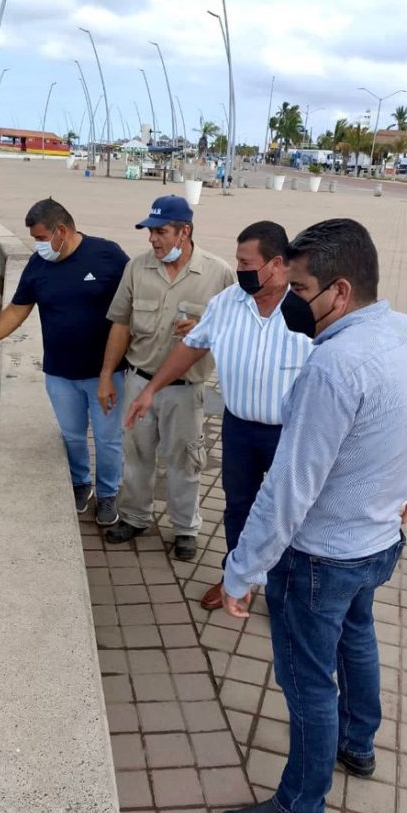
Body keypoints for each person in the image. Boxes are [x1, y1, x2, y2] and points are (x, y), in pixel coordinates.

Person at [218, 218, 407, 813]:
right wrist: (397, 491)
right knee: (358, 637)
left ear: (340, 291)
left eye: (298, 287)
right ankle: (358, 746)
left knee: (308, 678)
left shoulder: (333, 365)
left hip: (320, 558)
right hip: (377, 545)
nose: (287, 299)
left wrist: (241, 570)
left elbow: (289, 489)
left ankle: (301, 805)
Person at [125, 221, 312, 609]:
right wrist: (150, 389)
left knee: (291, 514)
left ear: (277, 263)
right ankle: (236, 579)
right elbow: (191, 347)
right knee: (239, 505)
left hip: (292, 434)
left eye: (246, 262)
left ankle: (285, 592)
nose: (239, 269)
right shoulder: (228, 303)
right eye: (238, 261)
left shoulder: (308, 308)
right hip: (240, 428)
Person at [0, 198, 128, 526]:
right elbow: (16, 310)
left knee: (107, 439)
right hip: (59, 372)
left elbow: (133, 302)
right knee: (72, 436)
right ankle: (79, 483)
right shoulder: (38, 265)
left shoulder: (108, 255)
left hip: (107, 373)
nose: (38, 245)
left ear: (62, 231)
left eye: (42, 238)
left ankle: (107, 493)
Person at [98, 195, 235, 560]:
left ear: (184, 231)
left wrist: (207, 327)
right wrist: (107, 375)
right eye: (150, 231)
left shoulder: (219, 273)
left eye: (160, 231)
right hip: (138, 381)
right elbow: (121, 324)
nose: (152, 240)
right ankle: (134, 516)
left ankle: (185, 528)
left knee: (185, 461)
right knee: (136, 455)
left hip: (186, 391)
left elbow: (236, 329)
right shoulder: (137, 269)